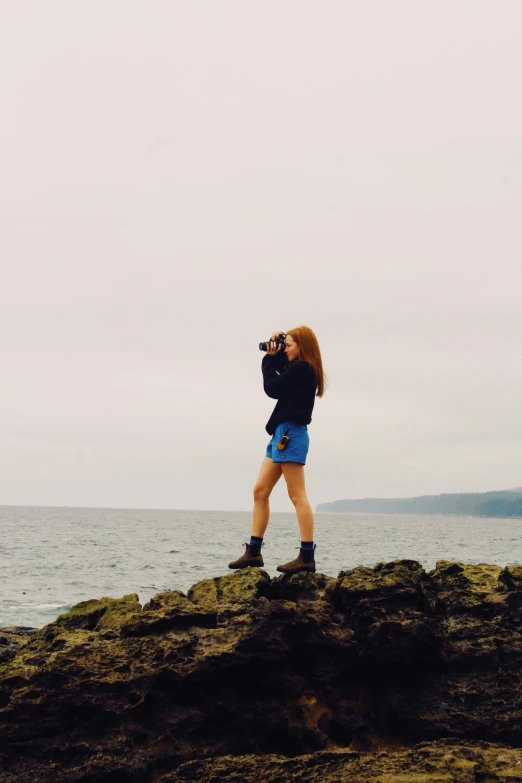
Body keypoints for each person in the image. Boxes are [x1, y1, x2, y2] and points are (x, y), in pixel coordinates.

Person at [229, 325, 327, 574]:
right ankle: (254, 551)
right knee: (260, 491)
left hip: (290, 433)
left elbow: (272, 388)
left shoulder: (304, 369)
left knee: (297, 495)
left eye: (290, 345)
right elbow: (280, 373)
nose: (286, 350)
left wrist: (268, 358)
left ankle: (306, 556)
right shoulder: (298, 369)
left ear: (302, 347)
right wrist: (276, 350)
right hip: (280, 433)